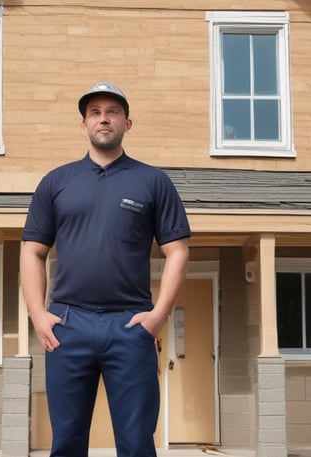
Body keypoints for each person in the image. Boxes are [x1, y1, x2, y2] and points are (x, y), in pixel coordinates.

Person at [20, 81, 191, 457]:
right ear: (84, 125)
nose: (103, 119)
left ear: (127, 123)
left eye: (112, 112)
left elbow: (177, 252)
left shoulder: (153, 182)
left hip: (129, 327)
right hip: (67, 327)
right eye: (94, 113)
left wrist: (158, 316)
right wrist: (38, 316)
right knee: (66, 443)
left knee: (135, 444)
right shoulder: (56, 182)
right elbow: (32, 252)